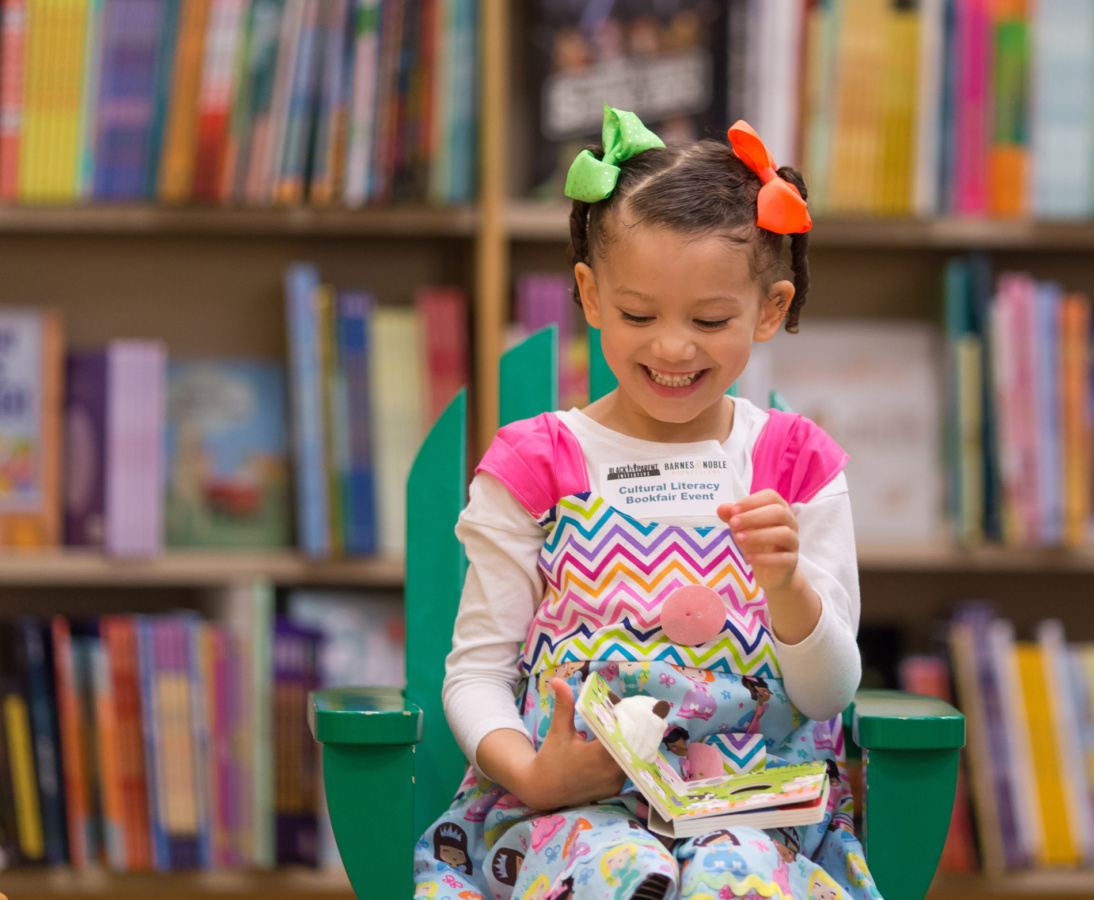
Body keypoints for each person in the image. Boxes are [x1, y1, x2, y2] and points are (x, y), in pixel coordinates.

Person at [414, 106, 868, 900]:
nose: (672, 346)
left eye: (710, 319)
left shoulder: (793, 465)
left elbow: (828, 694)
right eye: (637, 315)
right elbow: (477, 671)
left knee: (735, 882)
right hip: (570, 808)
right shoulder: (538, 465)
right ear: (589, 296)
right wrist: (534, 773)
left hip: (754, 810)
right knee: (623, 877)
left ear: (769, 308)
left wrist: (787, 584)